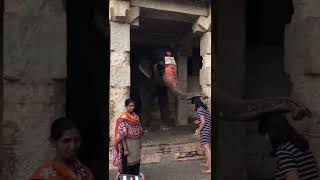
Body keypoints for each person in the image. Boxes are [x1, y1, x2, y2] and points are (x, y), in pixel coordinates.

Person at [29, 117, 95, 180]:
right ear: (53, 142)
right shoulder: (43, 176)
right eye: (66, 141)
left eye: (76, 140)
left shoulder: (86, 174)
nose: (72, 146)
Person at [258, 113, 319, 180]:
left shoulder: (284, 151)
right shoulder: (299, 145)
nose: (266, 138)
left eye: (266, 133)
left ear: (273, 132)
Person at [113, 99, 143, 177]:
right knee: (127, 166)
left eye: (133, 106)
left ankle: (135, 177)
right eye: (130, 106)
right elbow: (122, 135)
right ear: (126, 107)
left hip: (135, 146)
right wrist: (125, 149)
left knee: (136, 164)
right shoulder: (123, 118)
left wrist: (140, 143)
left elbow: (139, 131)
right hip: (127, 145)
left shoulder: (136, 117)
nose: (132, 107)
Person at [191, 97, 212, 174]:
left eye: (193, 104)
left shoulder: (199, 109)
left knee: (207, 149)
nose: (193, 106)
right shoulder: (204, 108)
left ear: (195, 103)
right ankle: (207, 163)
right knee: (207, 148)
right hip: (209, 129)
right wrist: (198, 121)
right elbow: (205, 119)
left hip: (205, 130)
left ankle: (210, 168)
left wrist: (198, 130)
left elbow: (203, 122)